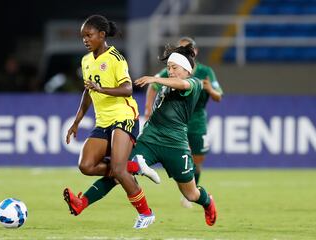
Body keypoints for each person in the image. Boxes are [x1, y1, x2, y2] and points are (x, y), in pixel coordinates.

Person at [63, 15, 155, 229]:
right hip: (103, 122)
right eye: (83, 37)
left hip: (124, 117)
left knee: (118, 170)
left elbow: (128, 88)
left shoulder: (115, 58)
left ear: (102, 35)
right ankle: (134, 166)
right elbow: (88, 92)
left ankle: (146, 213)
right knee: (85, 165)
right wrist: (76, 121)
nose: (85, 40)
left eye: (89, 35)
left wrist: (102, 89)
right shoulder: (86, 60)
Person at [144, 37, 223, 208]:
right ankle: (189, 192)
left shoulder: (204, 71)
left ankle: (191, 192)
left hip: (196, 121)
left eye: (186, 49)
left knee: (197, 160)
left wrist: (209, 89)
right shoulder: (172, 69)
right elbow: (152, 86)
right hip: (173, 123)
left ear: (195, 51)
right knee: (180, 156)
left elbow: (218, 96)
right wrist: (148, 108)